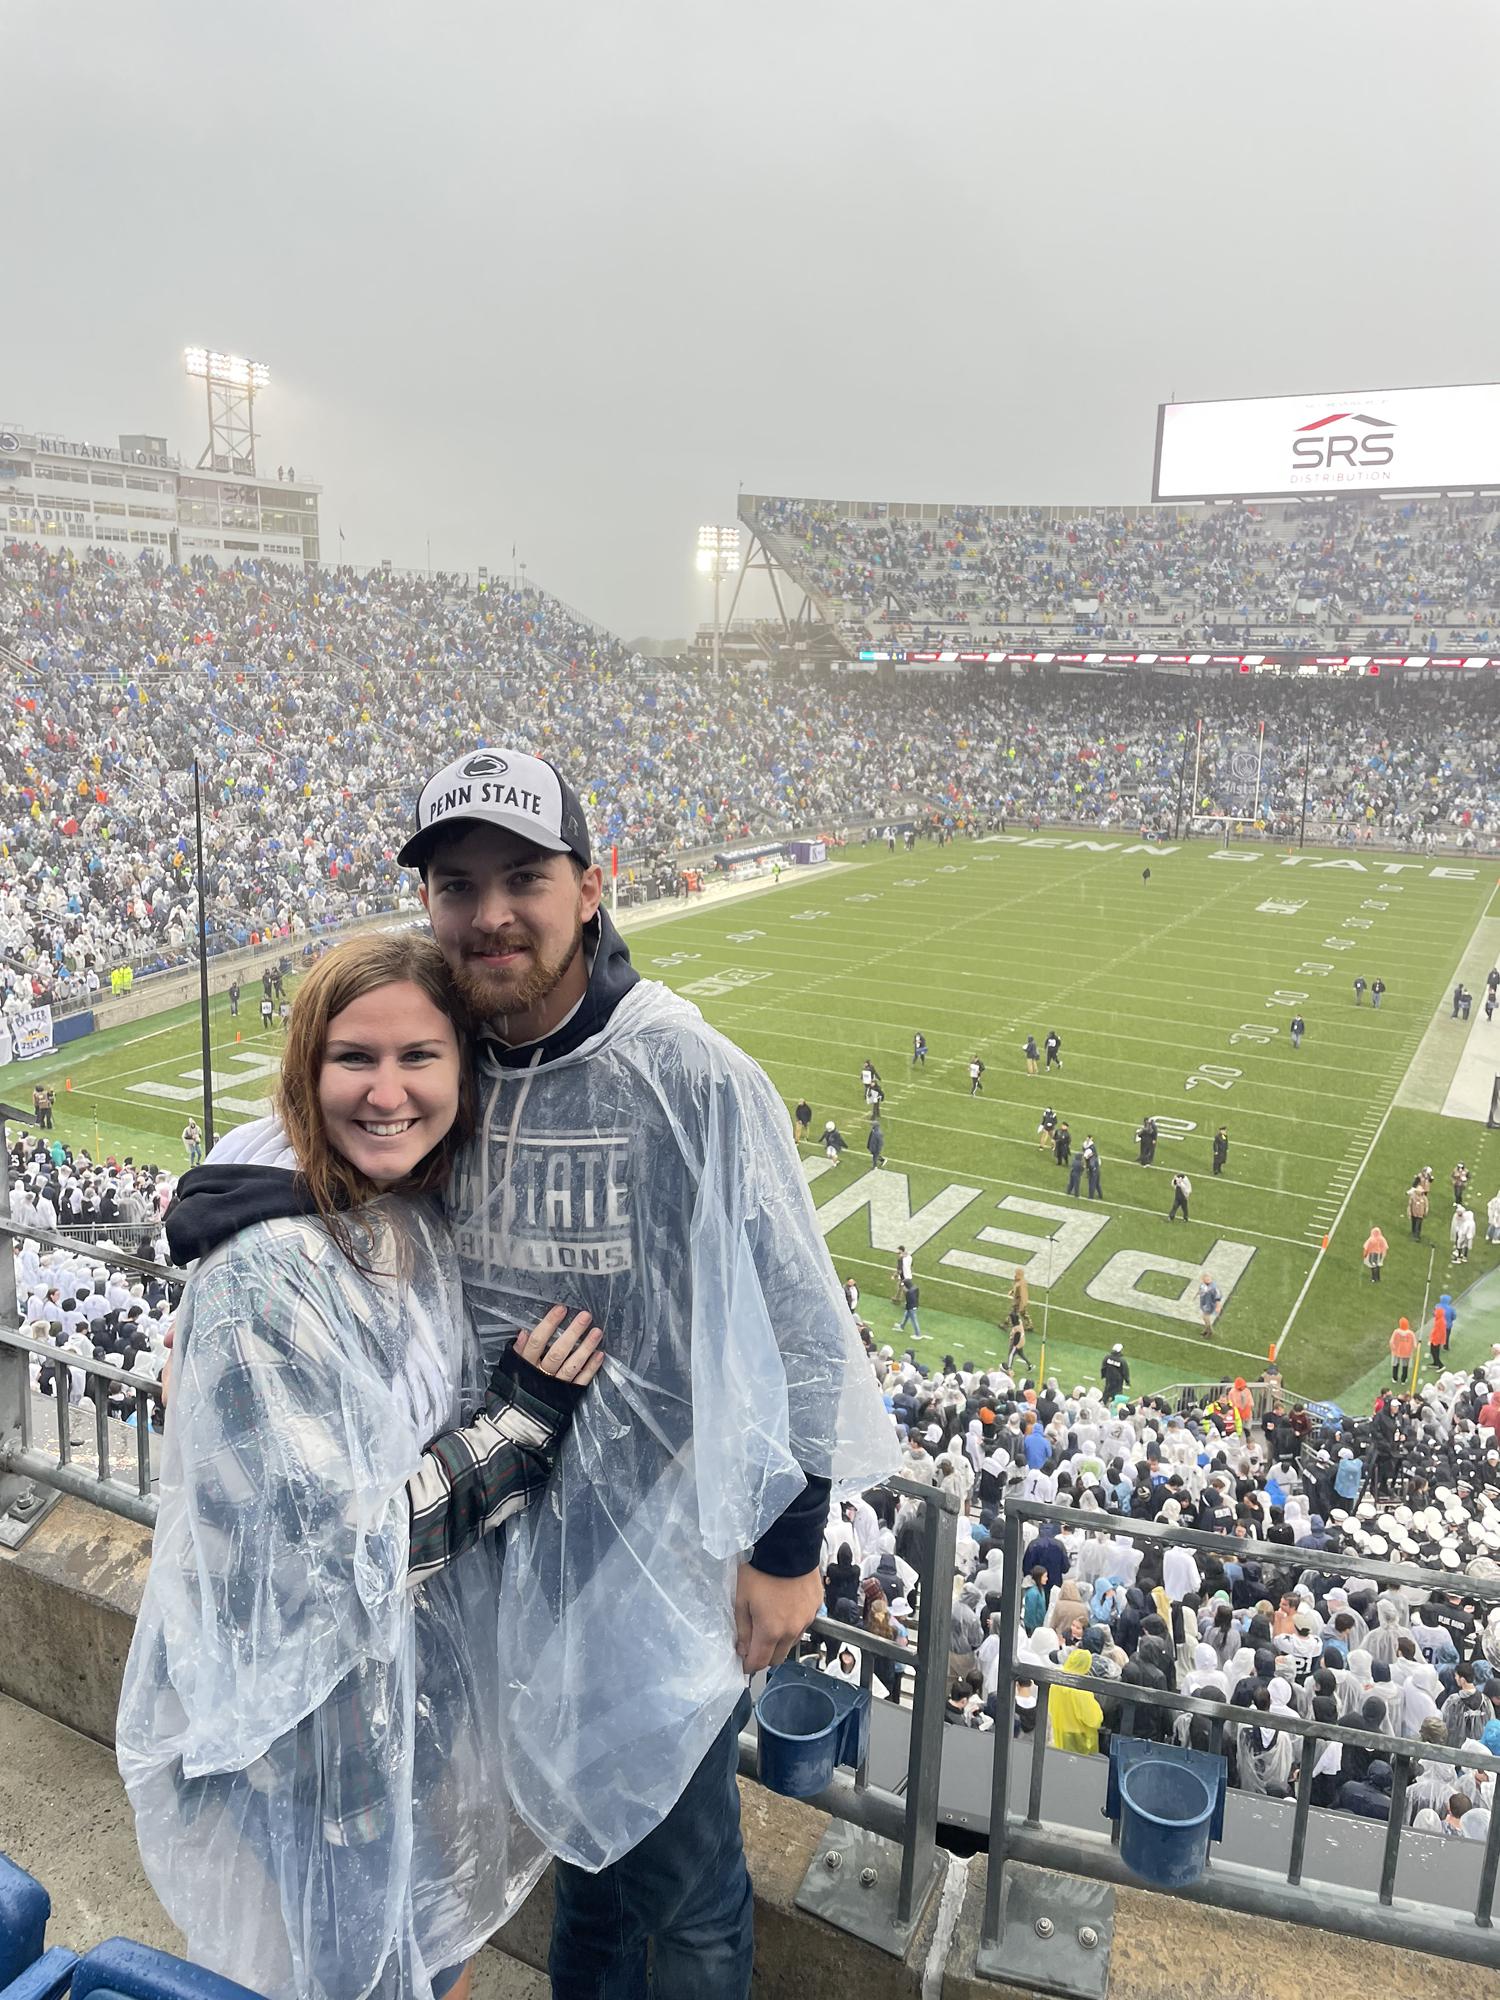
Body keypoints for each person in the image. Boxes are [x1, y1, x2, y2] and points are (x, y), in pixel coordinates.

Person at [199, 747, 898, 1999]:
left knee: (683, 1891)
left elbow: (797, 1317)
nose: (491, 911)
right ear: (428, 904)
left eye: (524, 874)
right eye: (457, 883)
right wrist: (229, 1199)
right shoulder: (447, 1058)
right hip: (498, 1561)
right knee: (578, 1861)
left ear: (591, 884)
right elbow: (341, 1147)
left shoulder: (683, 1068)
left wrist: (790, 1541)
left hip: (659, 1560)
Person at [118, 933, 607, 2000]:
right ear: (306, 1066)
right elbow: (347, 1552)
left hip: (384, 1695)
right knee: (358, 1963)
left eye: (419, 1057)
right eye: (355, 1058)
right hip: (309, 1729)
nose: (388, 1091)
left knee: (422, 1949)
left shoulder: (384, 1203)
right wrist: (513, 1430)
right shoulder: (268, 1267)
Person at [1390, 1317, 1416, 1386]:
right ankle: (1403, 1380)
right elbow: (1414, 1344)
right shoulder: (1411, 1333)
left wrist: (1393, 1349)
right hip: (1406, 1353)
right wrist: (1411, 1349)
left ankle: (1394, 1378)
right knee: (1405, 1366)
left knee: (1395, 1364)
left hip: (1397, 1352)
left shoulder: (1396, 1332)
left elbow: (1391, 1341)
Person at [897, 1277, 922, 1342]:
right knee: (906, 1316)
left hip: (911, 1307)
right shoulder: (915, 1288)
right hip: (914, 1305)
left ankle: (918, 1334)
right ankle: (901, 1326)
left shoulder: (909, 1292)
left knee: (914, 1320)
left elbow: (909, 1302)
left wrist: (907, 1307)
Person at [1198, 1272, 1221, 1338]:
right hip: (1205, 1303)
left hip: (1210, 1304)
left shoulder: (1214, 1287)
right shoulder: (1204, 1285)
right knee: (1204, 1317)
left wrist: (1218, 1306)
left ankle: (1209, 1331)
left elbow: (1218, 1297)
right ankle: (1206, 1329)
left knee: (1206, 1317)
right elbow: (1201, 1290)